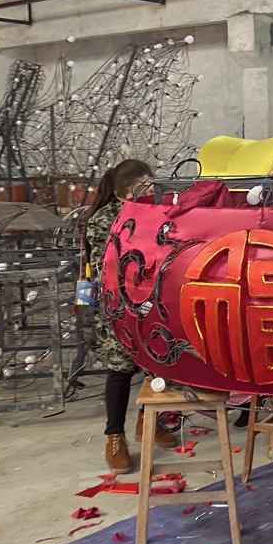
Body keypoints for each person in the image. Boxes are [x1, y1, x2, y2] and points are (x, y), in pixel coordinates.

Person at [84, 159, 177, 474]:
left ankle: (147, 421)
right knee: (120, 370)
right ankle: (115, 437)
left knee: (157, 361)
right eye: (141, 188)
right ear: (120, 194)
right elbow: (108, 267)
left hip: (151, 303)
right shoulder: (104, 221)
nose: (149, 191)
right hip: (117, 307)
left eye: (151, 185)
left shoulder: (157, 213)